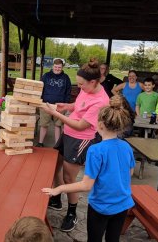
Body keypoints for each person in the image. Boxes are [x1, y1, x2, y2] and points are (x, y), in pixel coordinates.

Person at [42, 95, 135, 241]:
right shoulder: (127, 147)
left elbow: (86, 185)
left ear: (100, 125)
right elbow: (129, 172)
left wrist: (58, 189)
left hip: (101, 206)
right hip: (123, 204)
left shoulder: (95, 150)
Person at [40, 58, 109, 232]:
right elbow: (79, 106)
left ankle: (72, 213)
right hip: (68, 134)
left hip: (81, 139)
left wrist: (55, 112)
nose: (79, 88)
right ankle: (56, 200)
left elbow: (80, 125)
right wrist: (67, 106)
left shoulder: (101, 101)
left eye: (81, 85)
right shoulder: (87, 89)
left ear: (93, 82)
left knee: (69, 178)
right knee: (55, 167)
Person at [37, 58, 71, 147]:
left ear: (62, 67)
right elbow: (40, 88)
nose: (57, 69)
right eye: (56, 67)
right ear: (53, 66)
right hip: (46, 104)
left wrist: (66, 104)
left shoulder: (66, 78)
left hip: (59, 105)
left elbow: (68, 91)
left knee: (58, 125)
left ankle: (57, 145)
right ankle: (40, 142)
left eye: (59, 67)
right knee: (44, 124)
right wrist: (40, 100)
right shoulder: (46, 76)